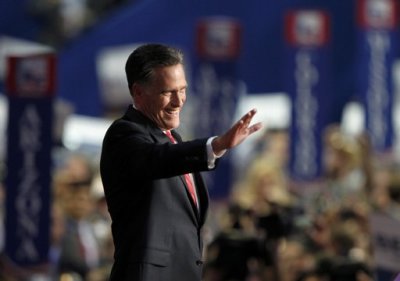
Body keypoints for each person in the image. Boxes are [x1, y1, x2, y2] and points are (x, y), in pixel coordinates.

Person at [99, 43, 262, 281]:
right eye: (167, 92)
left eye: (182, 90)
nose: (179, 101)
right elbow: (157, 158)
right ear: (138, 92)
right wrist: (216, 145)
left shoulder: (173, 139)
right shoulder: (123, 135)